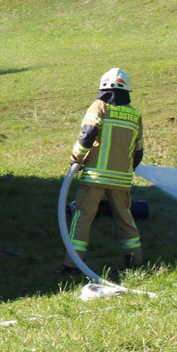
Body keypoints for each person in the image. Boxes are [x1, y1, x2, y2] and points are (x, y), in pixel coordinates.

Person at [61, 68, 144, 275]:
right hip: (122, 179)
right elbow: (139, 152)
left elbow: (88, 134)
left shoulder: (99, 106)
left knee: (82, 218)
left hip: (95, 177)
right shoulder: (135, 115)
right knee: (125, 220)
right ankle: (135, 262)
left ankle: (73, 265)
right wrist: (126, 170)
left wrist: (76, 158)